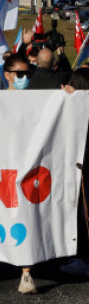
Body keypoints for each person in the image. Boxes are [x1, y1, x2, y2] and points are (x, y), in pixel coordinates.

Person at [0, 53, 37, 293]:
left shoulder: (40, 100)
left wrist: (67, 96)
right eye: (20, 74)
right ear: (8, 75)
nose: (25, 78)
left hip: (28, 168)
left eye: (28, 74)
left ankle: (26, 273)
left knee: (27, 217)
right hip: (0, 167)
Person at [60, 68, 89, 276]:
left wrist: (67, 101)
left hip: (81, 164)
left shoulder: (78, 105)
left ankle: (83, 258)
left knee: (82, 211)